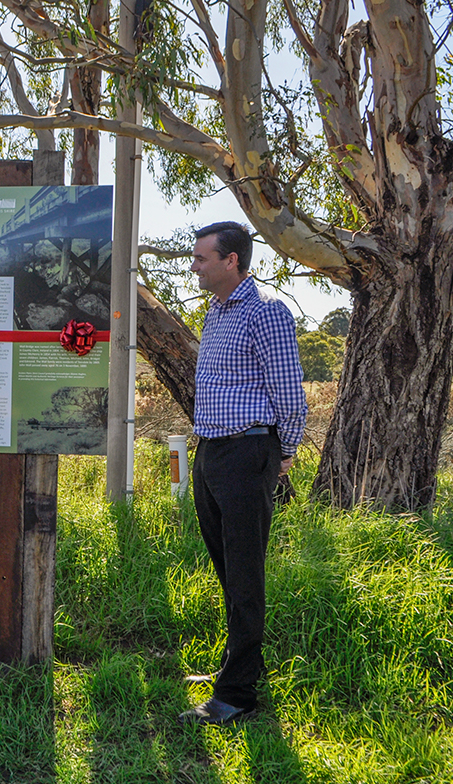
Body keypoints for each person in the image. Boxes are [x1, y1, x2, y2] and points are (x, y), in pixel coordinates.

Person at [179, 222, 308, 726]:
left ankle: (237, 694)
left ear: (231, 261)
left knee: (246, 574)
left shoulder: (266, 313)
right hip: (211, 452)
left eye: (202, 258)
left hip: (248, 451)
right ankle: (235, 665)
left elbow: (290, 395)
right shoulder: (216, 312)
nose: (194, 265)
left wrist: (285, 453)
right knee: (227, 570)